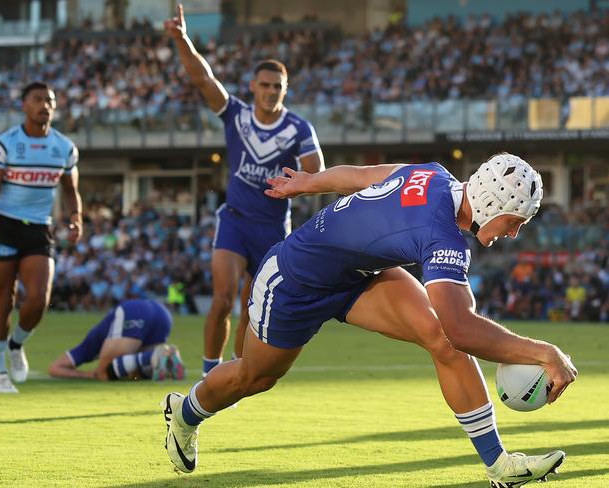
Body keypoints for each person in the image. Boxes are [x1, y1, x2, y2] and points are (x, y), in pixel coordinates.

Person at [160, 153, 578, 486]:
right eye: (516, 221)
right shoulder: (443, 234)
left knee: (441, 340)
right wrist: (545, 351)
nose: (514, 232)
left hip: (356, 276)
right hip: (294, 282)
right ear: (493, 204)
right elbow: (464, 325)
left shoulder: (434, 174)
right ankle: (185, 414)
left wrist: (310, 182)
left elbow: (365, 176)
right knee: (255, 377)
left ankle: (498, 465)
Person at [164, 5, 325, 377]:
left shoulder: (298, 129)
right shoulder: (236, 115)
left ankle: (235, 375)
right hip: (234, 221)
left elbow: (317, 169)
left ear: (286, 90)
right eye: (264, 85)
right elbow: (203, 79)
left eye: (277, 87)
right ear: (252, 86)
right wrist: (182, 39)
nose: (270, 92)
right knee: (221, 300)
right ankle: (208, 372)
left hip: (272, 228)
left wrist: (297, 185)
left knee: (251, 309)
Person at [0, 81, 83, 394]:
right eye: (37, 100)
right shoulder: (5, 144)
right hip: (3, 225)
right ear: (24, 105)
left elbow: (71, 191)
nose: (44, 105)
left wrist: (76, 218)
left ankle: (16, 343)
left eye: (49, 100)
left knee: (38, 298)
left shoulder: (64, 147)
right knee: (4, 300)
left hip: (38, 227)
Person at [48, 299, 185, 381]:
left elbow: (54, 368)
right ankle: (168, 361)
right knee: (139, 374)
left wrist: (89, 375)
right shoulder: (98, 340)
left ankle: (152, 356)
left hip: (134, 312)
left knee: (103, 374)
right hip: (162, 313)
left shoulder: (87, 346)